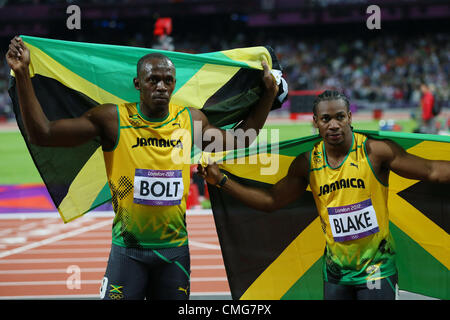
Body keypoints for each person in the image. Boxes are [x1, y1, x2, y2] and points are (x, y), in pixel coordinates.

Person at [6, 36, 279, 300]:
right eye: (153, 80)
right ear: (138, 83)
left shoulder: (190, 120)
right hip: (128, 253)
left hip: (174, 253)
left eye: (168, 80)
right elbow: (43, 134)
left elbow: (241, 138)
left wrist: (268, 95)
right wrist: (22, 74)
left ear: (174, 85)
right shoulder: (113, 120)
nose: (161, 86)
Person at [198, 90, 450, 300]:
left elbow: (432, 171)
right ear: (315, 122)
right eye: (326, 118)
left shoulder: (374, 152)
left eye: (340, 117)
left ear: (350, 117)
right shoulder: (307, 163)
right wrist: (221, 181)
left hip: (377, 270)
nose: (333, 124)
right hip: (335, 274)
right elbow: (271, 201)